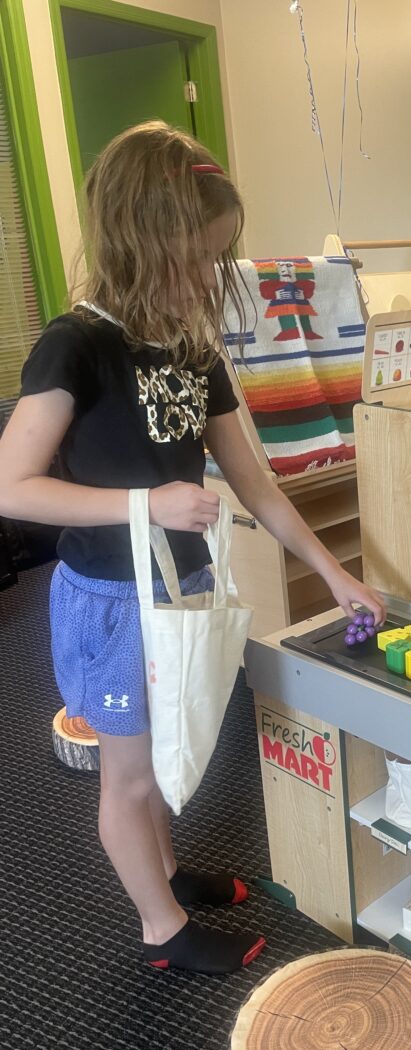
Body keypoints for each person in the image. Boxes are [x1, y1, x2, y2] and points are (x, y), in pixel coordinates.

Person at [0, 122, 385, 976]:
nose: (212, 275)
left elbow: (258, 485)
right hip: (111, 600)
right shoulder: (78, 346)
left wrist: (334, 573)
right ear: (141, 242)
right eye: (198, 256)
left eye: (218, 255)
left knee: (171, 744)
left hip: (182, 586)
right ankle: (160, 928)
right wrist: (149, 502)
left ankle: (167, 873)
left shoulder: (190, 350)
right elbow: (11, 485)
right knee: (129, 780)